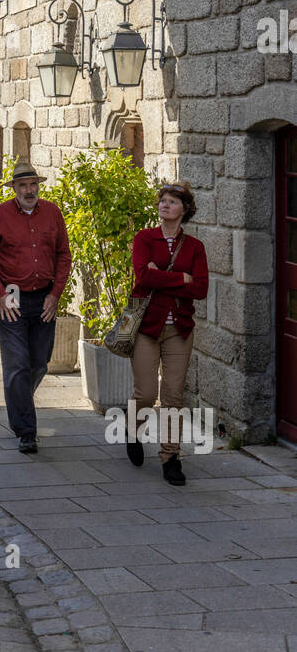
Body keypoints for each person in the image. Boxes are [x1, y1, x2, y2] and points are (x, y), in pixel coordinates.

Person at [0, 160, 72, 454]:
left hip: (44, 297)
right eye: (23, 185)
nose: (29, 191)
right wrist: (1, 295)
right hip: (12, 296)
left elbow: (64, 255)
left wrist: (55, 294)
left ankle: (19, 401)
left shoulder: (53, 213)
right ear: (14, 188)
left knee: (39, 362)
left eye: (33, 185)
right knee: (17, 365)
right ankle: (26, 431)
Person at [128, 181, 209, 486]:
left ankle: (170, 456)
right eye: (163, 200)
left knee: (173, 395)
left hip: (180, 329)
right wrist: (180, 278)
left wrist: (161, 277)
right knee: (146, 394)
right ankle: (132, 430)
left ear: (185, 210)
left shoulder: (195, 247)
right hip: (147, 327)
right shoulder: (144, 238)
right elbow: (143, 276)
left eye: (173, 202)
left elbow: (200, 288)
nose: (166, 205)